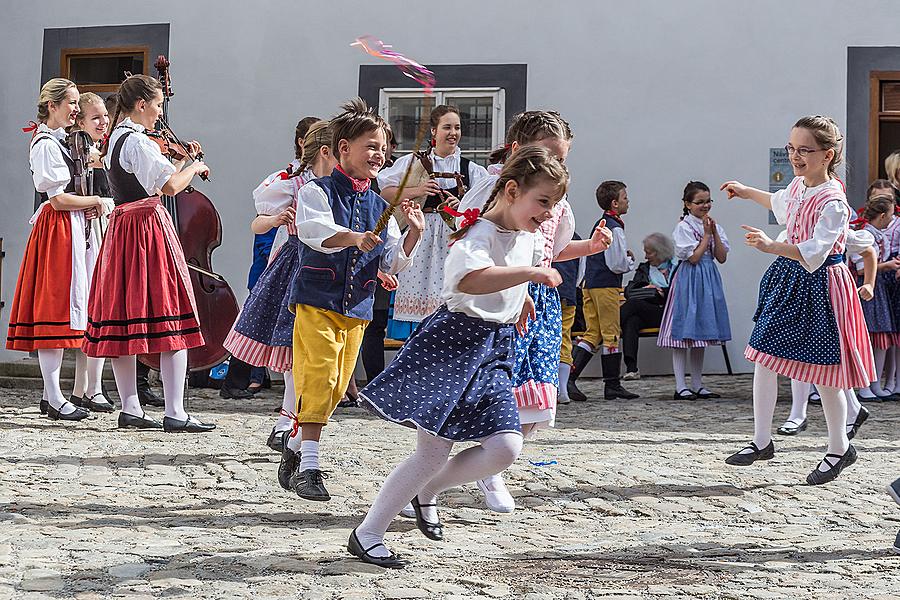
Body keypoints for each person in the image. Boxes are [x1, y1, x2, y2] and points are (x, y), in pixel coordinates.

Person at [349, 145, 568, 569]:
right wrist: (528, 276)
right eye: (542, 201)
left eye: (553, 204)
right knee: (430, 454)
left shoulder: (523, 237)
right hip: (453, 346)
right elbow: (468, 278)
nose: (547, 212)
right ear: (510, 190)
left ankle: (428, 491)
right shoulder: (477, 233)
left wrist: (519, 301)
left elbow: (508, 278)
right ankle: (368, 532)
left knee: (506, 447)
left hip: (495, 350)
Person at [277, 98, 423, 501]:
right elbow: (313, 231)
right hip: (316, 299)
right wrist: (355, 237)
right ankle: (310, 465)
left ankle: (291, 448)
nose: (380, 154)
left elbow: (392, 262)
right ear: (344, 148)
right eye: (371, 146)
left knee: (340, 387)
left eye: (383, 148)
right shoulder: (316, 191)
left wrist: (413, 232)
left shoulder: (381, 206)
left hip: (356, 305)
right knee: (319, 377)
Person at [723, 115, 874, 485]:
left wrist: (772, 245)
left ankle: (839, 447)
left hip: (821, 285)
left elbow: (816, 252)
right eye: (792, 148)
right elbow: (778, 202)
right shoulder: (797, 187)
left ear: (828, 154)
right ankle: (761, 441)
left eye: (804, 150)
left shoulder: (834, 201)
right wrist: (746, 191)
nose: (795, 155)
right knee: (762, 356)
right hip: (789, 282)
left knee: (825, 372)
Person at [84, 74, 215, 433]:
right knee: (171, 311)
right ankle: (176, 411)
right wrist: (194, 166)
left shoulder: (114, 140)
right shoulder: (138, 143)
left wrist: (179, 161)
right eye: (158, 105)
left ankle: (131, 407)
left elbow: (151, 177)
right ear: (141, 104)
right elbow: (170, 186)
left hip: (122, 228)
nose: (160, 113)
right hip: (145, 228)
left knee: (126, 315)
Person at [224, 120, 337, 452]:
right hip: (293, 268)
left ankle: (290, 422)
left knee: (310, 353)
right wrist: (275, 220)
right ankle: (287, 422)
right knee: (292, 349)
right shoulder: (291, 182)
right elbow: (257, 223)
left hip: (328, 270)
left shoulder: (340, 186)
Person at [7, 78, 113, 421]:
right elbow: (58, 198)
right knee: (54, 311)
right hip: (57, 232)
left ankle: (52, 395)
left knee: (65, 311)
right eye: (71, 103)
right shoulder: (45, 144)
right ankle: (54, 397)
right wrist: (97, 199)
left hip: (69, 229)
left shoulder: (62, 141)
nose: (76, 109)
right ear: (52, 106)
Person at [377, 105, 488, 339]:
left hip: (453, 240)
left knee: (451, 296)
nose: (453, 133)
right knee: (419, 293)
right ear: (433, 132)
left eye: (457, 127)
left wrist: (462, 206)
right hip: (421, 234)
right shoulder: (413, 162)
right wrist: (418, 189)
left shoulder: (471, 168)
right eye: (447, 127)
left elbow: (488, 206)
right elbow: (386, 191)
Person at [657, 181, 731, 400]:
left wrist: (714, 233)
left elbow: (721, 257)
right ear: (688, 204)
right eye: (700, 202)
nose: (705, 206)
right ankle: (681, 385)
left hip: (708, 279)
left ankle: (698, 384)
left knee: (701, 333)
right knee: (683, 333)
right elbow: (694, 257)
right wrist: (706, 236)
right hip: (689, 280)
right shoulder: (684, 227)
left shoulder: (712, 225)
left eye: (708, 201)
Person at [66, 91, 115, 413]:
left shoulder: (104, 153)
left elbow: (113, 197)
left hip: (104, 231)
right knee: (92, 313)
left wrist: (103, 203)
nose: (103, 122)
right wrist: (97, 202)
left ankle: (87, 388)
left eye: (104, 116)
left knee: (97, 313)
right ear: (80, 121)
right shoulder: (77, 155)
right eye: (95, 117)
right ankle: (86, 388)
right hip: (87, 238)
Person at [568, 180, 638, 401]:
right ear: (615, 203)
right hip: (606, 285)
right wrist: (629, 260)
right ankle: (612, 383)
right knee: (611, 333)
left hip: (591, 284)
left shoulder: (602, 223)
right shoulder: (614, 227)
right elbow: (616, 263)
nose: (629, 201)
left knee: (593, 332)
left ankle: (569, 376)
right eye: (625, 197)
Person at [619, 233, 677, 380]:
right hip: (650, 312)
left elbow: (683, 291)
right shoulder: (645, 268)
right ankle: (632, 369)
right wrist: (647, 287)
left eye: (648, 252)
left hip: (670, 314)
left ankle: (607, 330)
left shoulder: (677, 267)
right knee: (632, 320)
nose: (645, 257)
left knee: (633, 306)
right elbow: (629, 291)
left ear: (660, 252)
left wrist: (662, 291)